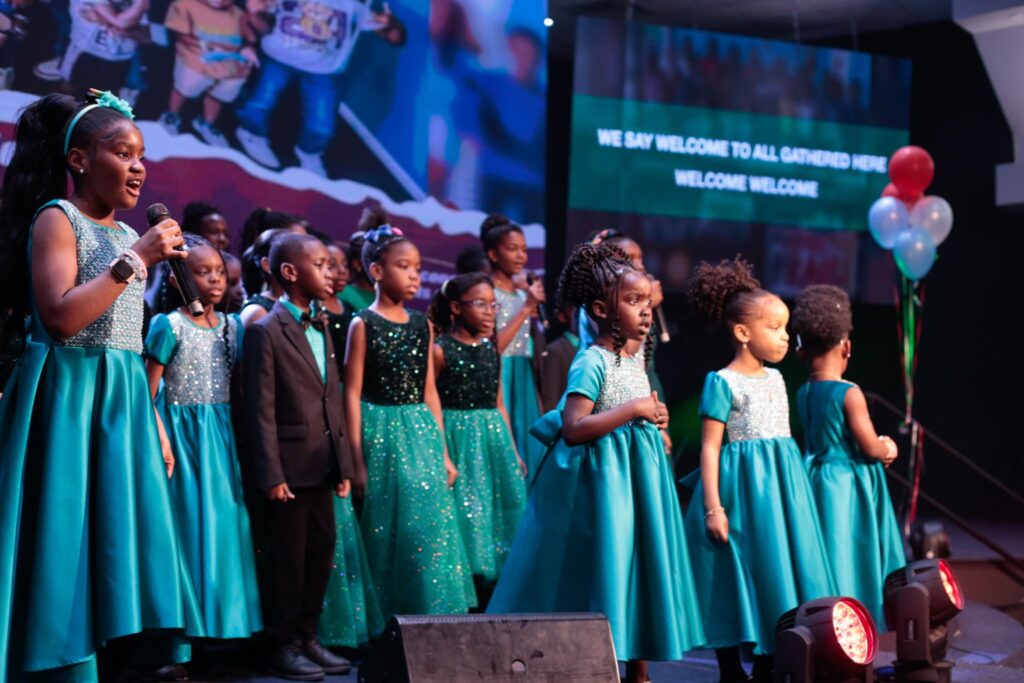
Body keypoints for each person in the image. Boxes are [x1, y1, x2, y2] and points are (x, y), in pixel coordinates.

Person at [0, 91, 198, 680]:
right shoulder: (58, 218)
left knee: (114, 550)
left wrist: (155, 420)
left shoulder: (124, 236)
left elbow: (126, 339)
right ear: (81, 159)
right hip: (67, 399)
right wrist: (138, 258)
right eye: (123, 152)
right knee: (66, 543)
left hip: (122, 402)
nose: (138, 167)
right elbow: (61, 318)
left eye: (143, 157)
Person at [488, 242, 704, 683]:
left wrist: (654, 414)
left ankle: (639, 669)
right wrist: (635, 411)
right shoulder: (591, 360)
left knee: (636, 567)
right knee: (608, 566)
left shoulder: (635, 357)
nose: (645, 311)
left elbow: (637, 405)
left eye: (647, 301)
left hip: (639, 481)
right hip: (606, 485)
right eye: (633, 301)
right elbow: (574, 426)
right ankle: (602, 665)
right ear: (602, 309)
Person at [681, 257, 836, 683]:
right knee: (734, 578)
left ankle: (771, 663)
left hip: (781, 492)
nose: (786, 338)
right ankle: (731, 672)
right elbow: (710, 448)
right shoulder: (722, 381)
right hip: (742, 493)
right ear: (743, 333)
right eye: (775, 328)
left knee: (779, 572)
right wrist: (713, 507)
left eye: (786, 328)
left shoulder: (777, 380)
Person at [343, 225, 475, 618]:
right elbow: (352, 391)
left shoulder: (422, 324)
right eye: (404, 266)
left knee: (427, 525)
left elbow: (430, 391)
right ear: (377, 271)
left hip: (419, 431)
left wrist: (444, 452)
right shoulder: (362, 323)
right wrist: (356, 461)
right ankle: (386, 619)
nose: (415, 275)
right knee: (385, 528)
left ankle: (429, 614)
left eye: (418, 267)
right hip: (379, 430)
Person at [243, 232, 355, 680]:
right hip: (288, 470)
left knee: (318, 555)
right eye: (321, 264)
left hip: (321, 465)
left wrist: (342, 463)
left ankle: (308, 635)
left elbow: (331, 396)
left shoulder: (321, 322)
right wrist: (270, 473)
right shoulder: (264, 331)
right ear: (289, 273)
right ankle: (282, 642)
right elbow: (260, 411)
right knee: (286, 562)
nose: (330, 272)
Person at [145, 234, 263, 645]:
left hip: (222, 440)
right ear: (178, 279)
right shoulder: (168, 324)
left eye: (219, 272)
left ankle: (223, 628)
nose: (215, 280)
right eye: (202, 272)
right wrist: (162, 438)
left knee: (226, 528)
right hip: (182, 439)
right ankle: (185, 635)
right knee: (189, 528)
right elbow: (148, 391)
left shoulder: (233, 327)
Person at [791, 284, 903, 626]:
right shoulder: (849, 392)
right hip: (846, 484)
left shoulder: (804, 390)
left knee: (824, 548)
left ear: (802, 351)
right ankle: (850, 617)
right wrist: (889, 446)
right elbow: (869, 447)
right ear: (847, 346)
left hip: (814, 478)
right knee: (847, 548)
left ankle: (822, 618)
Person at [429, 272, 526, 592]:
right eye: (479, 304)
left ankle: (495, 588)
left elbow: (499, 403)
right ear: (456, 308)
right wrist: (442, 451)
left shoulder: (490, 349)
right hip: (459, 438)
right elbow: (432, 403)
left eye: (492, 305)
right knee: (467, 511)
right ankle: (469, 584)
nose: (489, 311)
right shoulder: (441, 350)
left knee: (497, 509)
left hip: (492, 437)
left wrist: (512, 449)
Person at [234, 0, 405, 175]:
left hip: (323, 69)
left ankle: (310, 152)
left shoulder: (350, 5)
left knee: (321, 122)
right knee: (261, 100)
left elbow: (396, 38)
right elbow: (257, 13)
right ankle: (250, 132)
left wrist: (390, 23)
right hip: (278, 57)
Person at [480, 214, 545, 472]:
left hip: (523, 374)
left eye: (524, 250)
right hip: (501, 373)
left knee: (530, 448)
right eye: (512, 249)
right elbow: (493, 347)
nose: (520, 256)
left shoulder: (521, 293)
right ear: (493, 255)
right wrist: (526, 307)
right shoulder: (488, 293)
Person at [158, 0, 258, 147]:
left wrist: (247, 49)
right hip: (195, 54)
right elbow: (179, 34)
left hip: (230, 61)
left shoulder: (239, 14)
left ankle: (207, 123)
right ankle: (172, 115)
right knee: (188, 84)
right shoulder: (185, 5)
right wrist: (207, 46)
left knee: (226, 88)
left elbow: (249, 40)